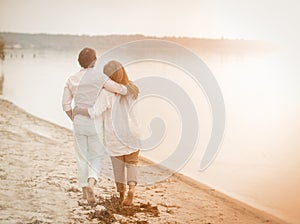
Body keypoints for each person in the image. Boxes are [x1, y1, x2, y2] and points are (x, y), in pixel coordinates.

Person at [62, 48, 128, 204]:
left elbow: (65, 105)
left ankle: (84, 191)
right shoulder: (99, 78)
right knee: (97, 156)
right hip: (95, 122)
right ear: (94, 61)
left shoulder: (71, 79)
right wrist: (127, 88)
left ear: (80, 61)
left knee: (81, 157)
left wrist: (75, 119)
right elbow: (120, 90)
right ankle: (92, 183)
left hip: (78, 122)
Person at [74, 60, 140, 205]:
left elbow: (95, 112)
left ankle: (122, 195)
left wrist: (79, 110)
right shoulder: (133, 89)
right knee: (132, 163)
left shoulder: (105, 94)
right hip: (132, 133)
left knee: (118, 167)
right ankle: (132, 190)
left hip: (114, 135)